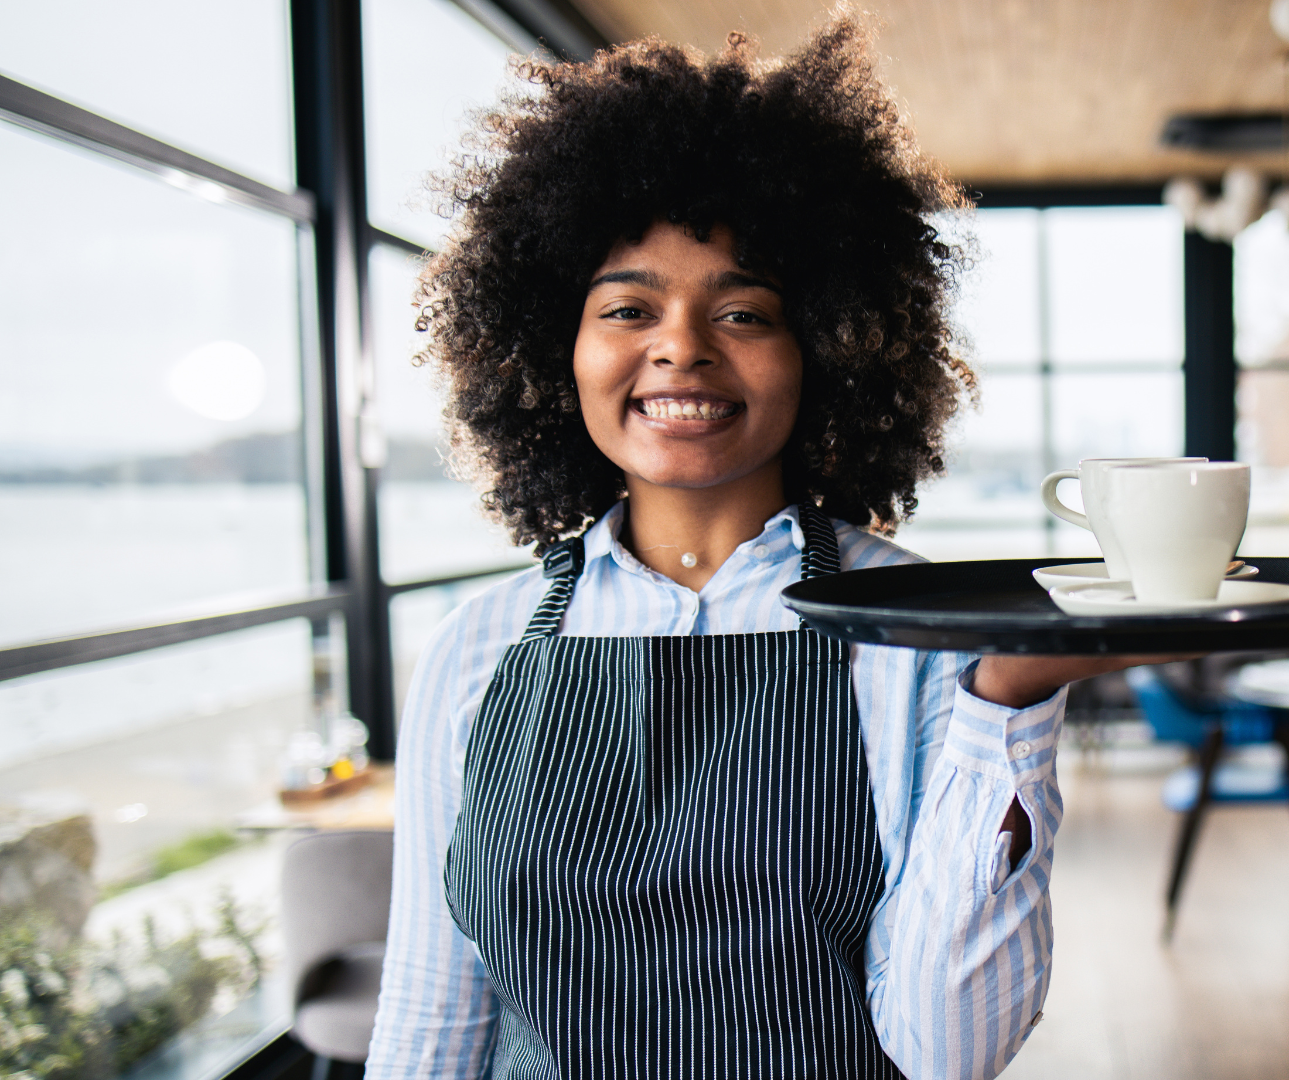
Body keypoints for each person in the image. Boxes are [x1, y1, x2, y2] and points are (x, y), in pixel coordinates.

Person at [366, 17, 1160, 1079]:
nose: (681, 344)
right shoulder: (479, 648)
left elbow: (945, 1052)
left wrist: (1008, 702)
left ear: (829, 349)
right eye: (627, 307)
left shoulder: (918, 627)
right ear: (552, 349)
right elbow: (432, 1010)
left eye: (743, 312)